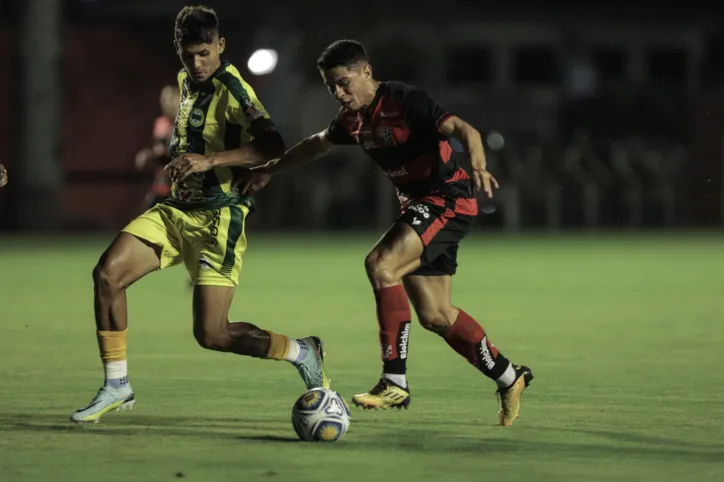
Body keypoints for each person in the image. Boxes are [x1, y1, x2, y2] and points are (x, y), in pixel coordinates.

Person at [238, 40, 534, 426]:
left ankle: (394, 380)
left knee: (381, 264)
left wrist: (477, 160)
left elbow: (463, 128)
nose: (340, 93)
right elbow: (317, 145)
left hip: (447, 199)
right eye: (332, 87)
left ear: (366, 71)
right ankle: (511, 378)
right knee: (436, 315)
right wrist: (271, 169)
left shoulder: (403, 100)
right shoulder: (352, 120)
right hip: (420, 206)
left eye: (344, 83)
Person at [70, 5, 329, 424]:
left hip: (219, 219)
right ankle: (117, 384)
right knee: (107, 274)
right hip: (175, 211)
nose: (197, 62)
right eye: (189, 54)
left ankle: (300, 350)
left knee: (212, 334)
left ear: (220, 46)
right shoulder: (184, 82)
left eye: (205, 53)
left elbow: (273, 145)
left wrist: (210, 162)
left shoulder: (234, 89)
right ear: (179, 50)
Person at [134, 85, 180, 210]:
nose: (167, 103)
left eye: (171, 99)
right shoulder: (163, 123)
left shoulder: (188, 123)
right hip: (164, 185)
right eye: (164, 100)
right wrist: (148, 154)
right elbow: (160, 149)